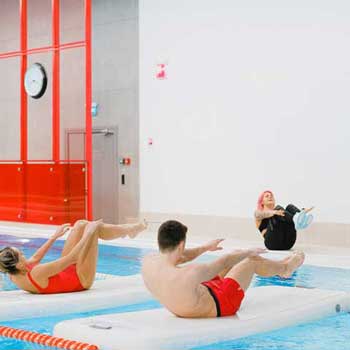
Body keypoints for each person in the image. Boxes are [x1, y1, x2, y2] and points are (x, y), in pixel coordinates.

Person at [142, 220, 304, 318]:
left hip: (193, 301)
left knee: (236, 255)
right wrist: (249, 252)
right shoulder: (191, 273)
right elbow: (223, 261)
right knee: (250, 260)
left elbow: (180, 256)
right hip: (221, 304)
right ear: (182, 244)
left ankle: (277, 264)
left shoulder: (148, 263)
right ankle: (285, 268)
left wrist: (205, 247)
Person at [0, 219, 147, 294]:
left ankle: (130, 230)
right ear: (18, 264)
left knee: (81, 223)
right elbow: (71, 258)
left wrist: (55, 236)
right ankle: (130, 229)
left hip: (67, 271)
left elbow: (36, 258)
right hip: (81, 279)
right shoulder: (36, 273)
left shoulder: (14, 273)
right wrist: (89, 233)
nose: (25, 255)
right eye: (21, 254)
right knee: (93, 229)